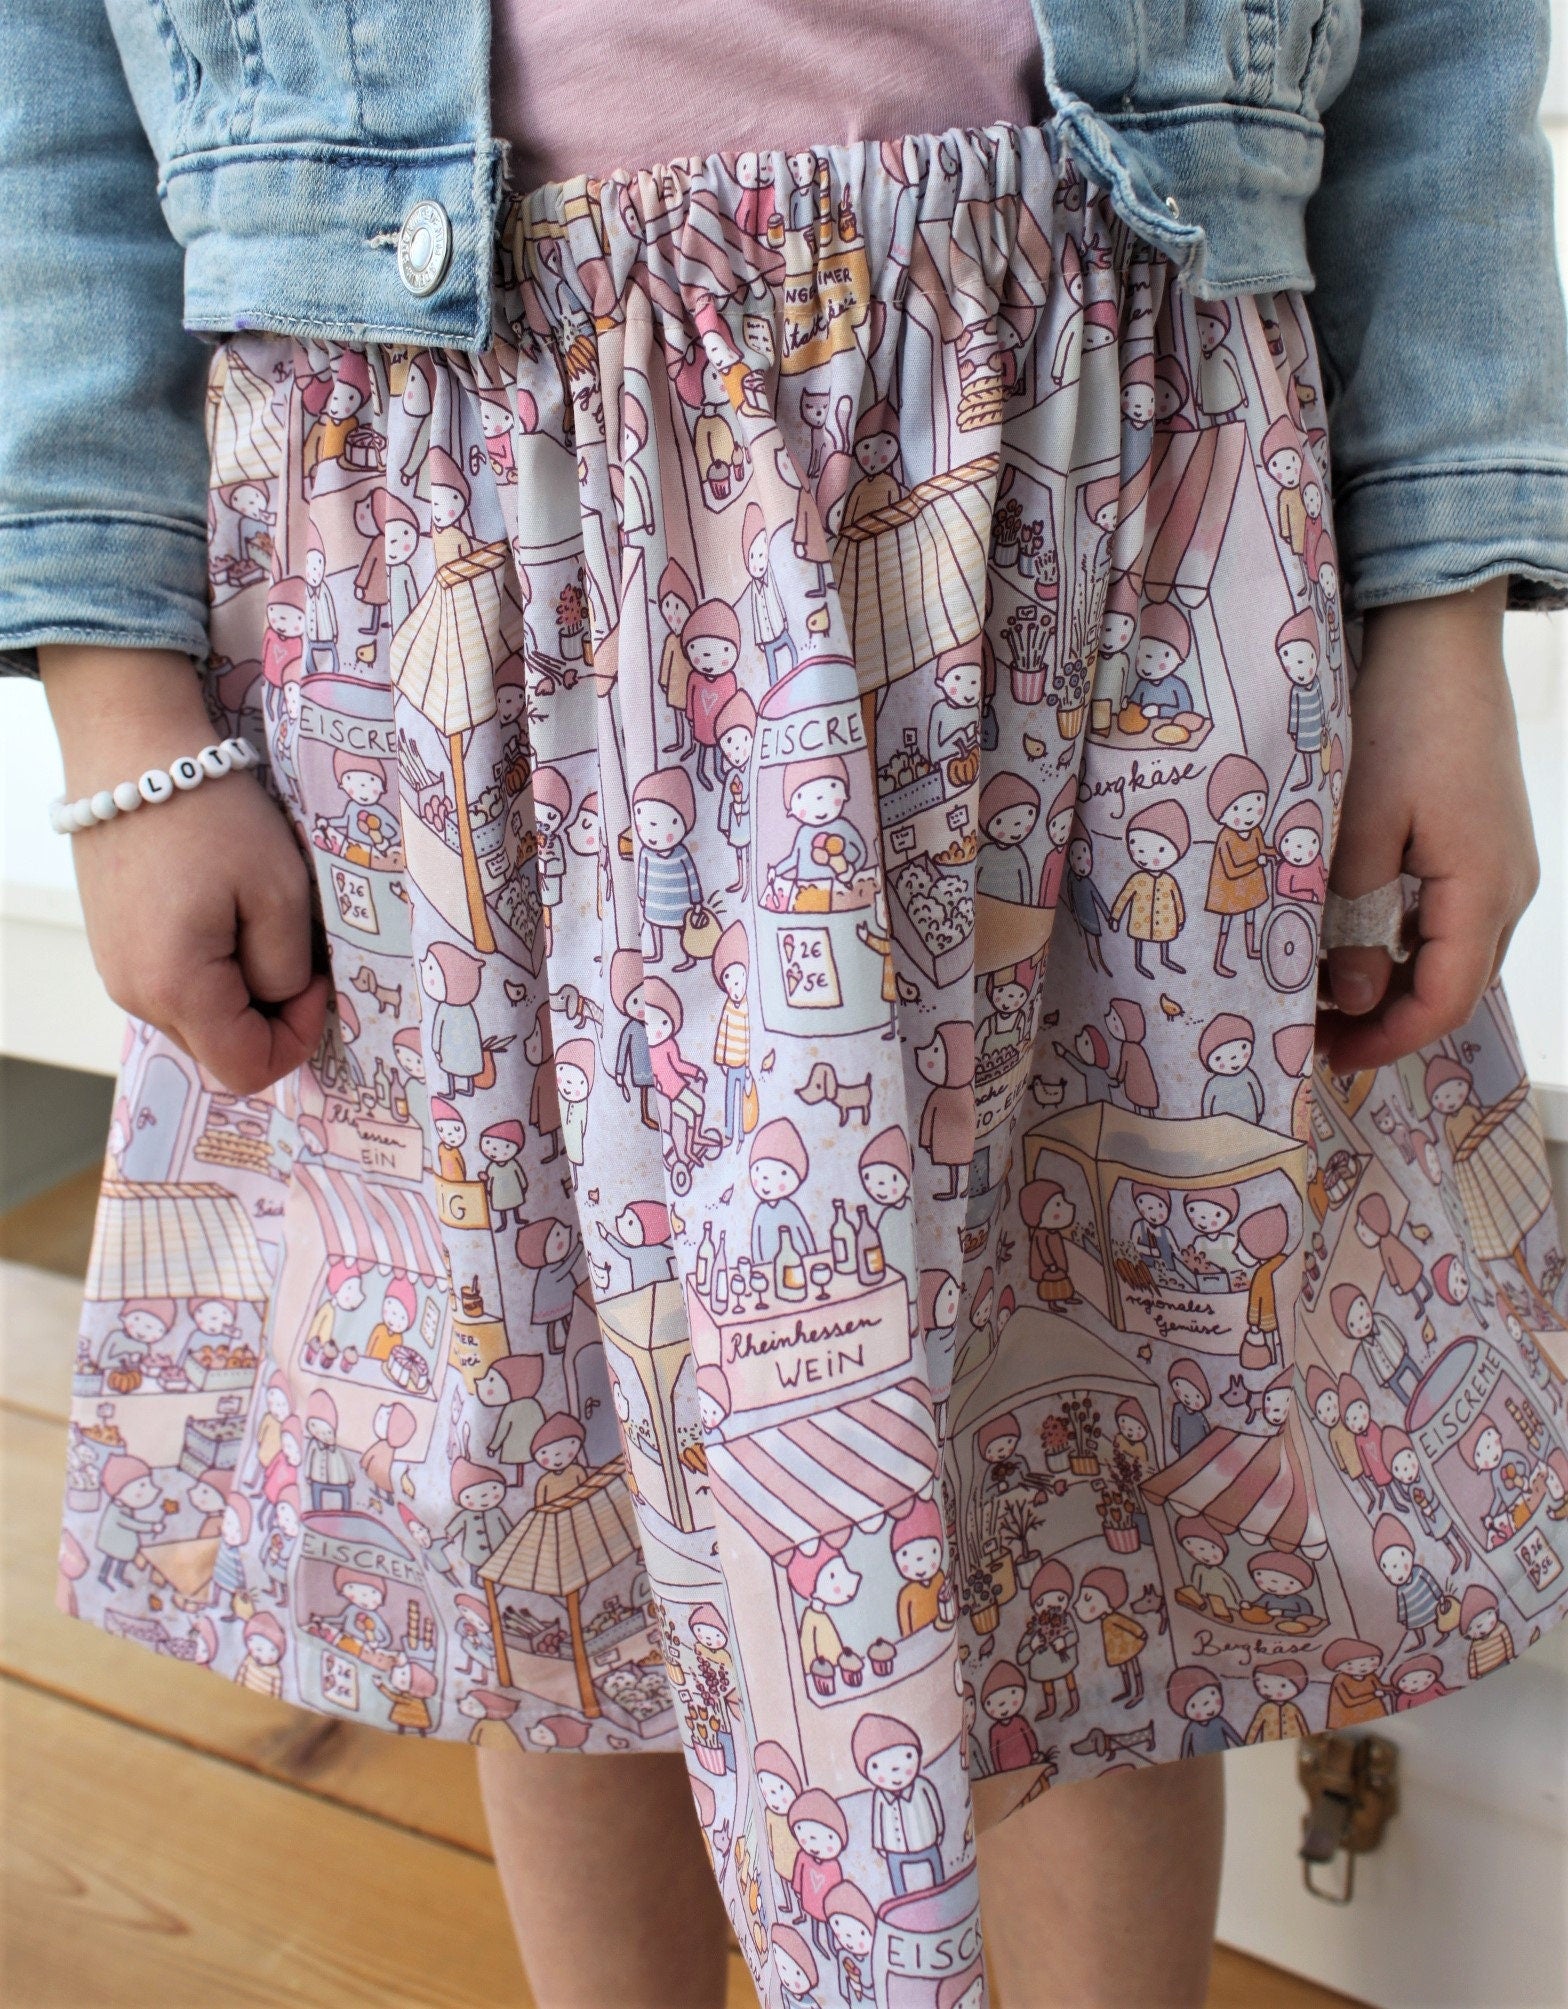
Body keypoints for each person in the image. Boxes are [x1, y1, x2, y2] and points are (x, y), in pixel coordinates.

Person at [12, 6, 1568, 2009]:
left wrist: (1440, 611)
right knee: (565, 1489)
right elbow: (46, 93)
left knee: (1085, 1495)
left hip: (1105, 486)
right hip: (464, 536)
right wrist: (117, 703)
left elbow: (1436, 48)